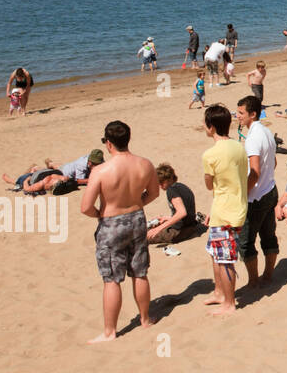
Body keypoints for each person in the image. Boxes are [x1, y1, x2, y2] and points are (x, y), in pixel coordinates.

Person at [81, 120, 160, 342]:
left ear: (108, 143)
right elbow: (154, 193)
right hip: (136, 217)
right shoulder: (145, 164)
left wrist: (100, 214)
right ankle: (145, 319)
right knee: (140, 271)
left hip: (111, 222)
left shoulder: (100, 170)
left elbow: (85, 207)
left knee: (112, 279)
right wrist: (137, 203)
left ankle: (110, 332)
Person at [201, 104, 248, 316]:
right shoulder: (239, 146)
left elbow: (209, 185)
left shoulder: (210, 154)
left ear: (211, 127)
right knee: (214, 252)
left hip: (226, 212)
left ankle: (229, 303)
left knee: (225, 258)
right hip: (229, 206)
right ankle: (219, 292)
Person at [236, 96, 279, 288]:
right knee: (268, 236)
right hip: (270, 190)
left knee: (246, 242)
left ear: (252, 114)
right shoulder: (267, 132)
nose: (237, 117)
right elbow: (274, 162)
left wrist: (243, 193)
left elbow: (254, 172)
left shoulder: (253, 138)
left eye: (240, 113)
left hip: (257, 197)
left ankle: (254, 280)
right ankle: (268, 275)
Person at [147, 164, 202, 245]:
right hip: (190, 226)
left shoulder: (171, 191)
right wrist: (167, 218)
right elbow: (186, 211)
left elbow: (182, 212)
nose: (160, 186)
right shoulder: (182, 186)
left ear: (169, 180)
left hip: (179, 231)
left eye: (161, 182)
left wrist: (158, 229)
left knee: (141, 237)